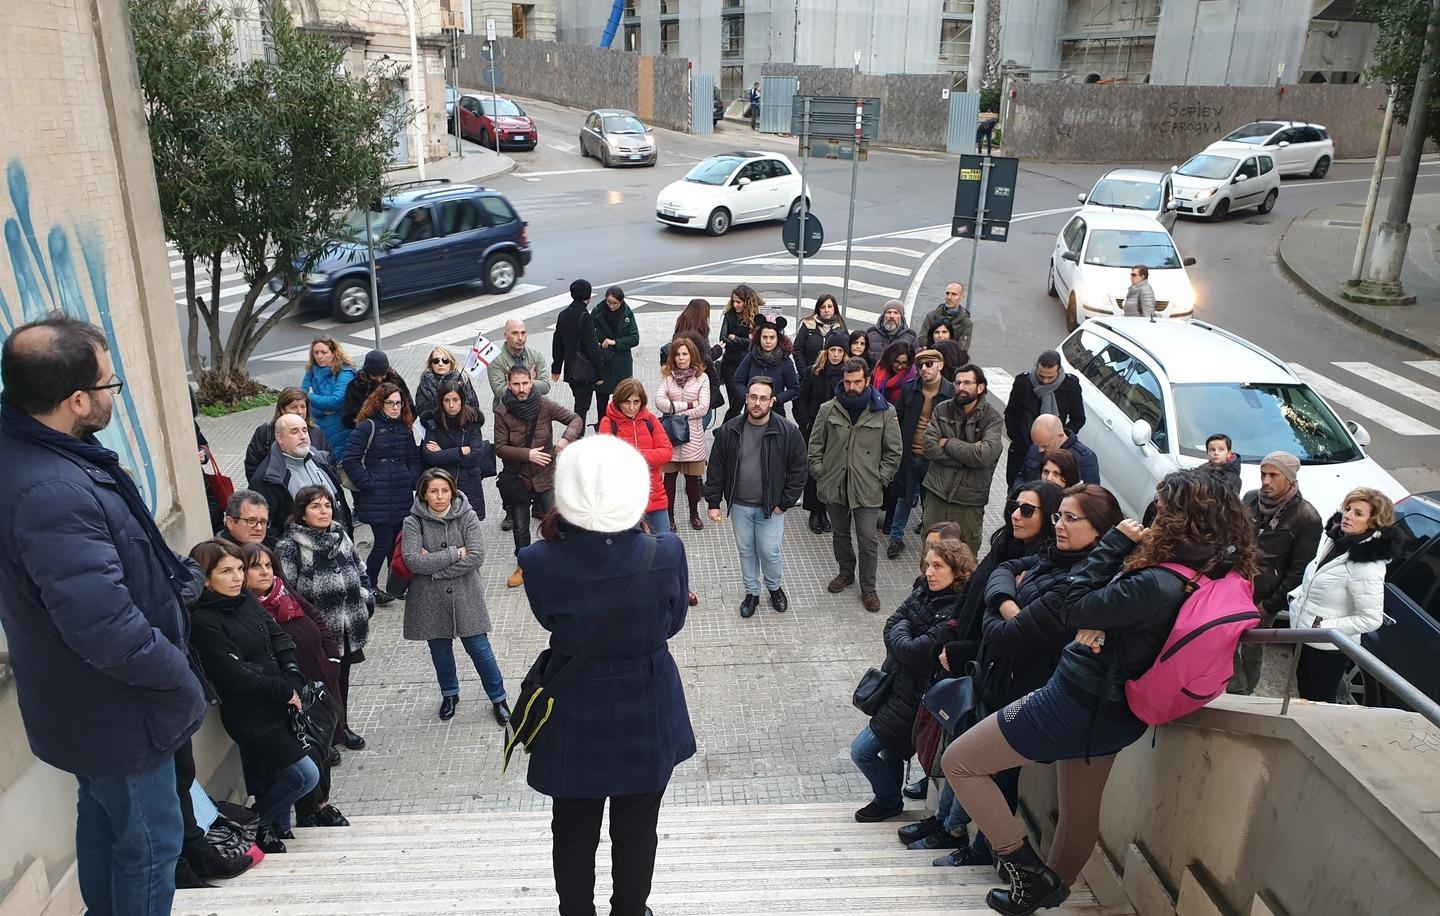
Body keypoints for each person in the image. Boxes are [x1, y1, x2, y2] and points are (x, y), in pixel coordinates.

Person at [941, 469, 1259, 913]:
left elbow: (1072, 606)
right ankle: (1049, 892)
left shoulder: (1155, 582)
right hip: (1119, 714)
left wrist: (1113, 544)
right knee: (1079, 808)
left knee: (960, 762)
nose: (1153, 518)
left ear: (1181, 520)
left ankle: (1025, 872)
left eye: (1162, 511)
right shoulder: (1206, 573)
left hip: (1071, 701)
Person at [0, 315, 207, 914]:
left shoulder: (35, 449)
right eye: (111, 385)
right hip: (120, 706)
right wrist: (181, 682)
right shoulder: (52, 493)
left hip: (86, 704)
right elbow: (104, 628)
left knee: (103, 822)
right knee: (149, 842)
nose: (116, 394)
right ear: (75, 400)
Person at [518, 435, 695, 916]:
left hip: (574, 706)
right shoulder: (667, 552)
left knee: (573, 829)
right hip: (647, 698)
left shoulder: (537, 561)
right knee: (638, 828)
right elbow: (674, 622)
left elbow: (549, 620)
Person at [956, 485, 1124, 867]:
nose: (1059, 526)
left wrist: (995, 609)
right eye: (1058, 516)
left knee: (973, 768)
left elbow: (1004, 640)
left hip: (1033, 696)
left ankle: (1021, 869)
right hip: (1004, 682)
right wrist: (1006, 602)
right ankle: (1029, 877)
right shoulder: (1057, 559)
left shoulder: (1078, 583)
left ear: (1099, 529)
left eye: (1070, 518)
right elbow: (1004, 569)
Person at [923, 484, 1064, 864]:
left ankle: (983, 847)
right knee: (960, 753)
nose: (1017, 514)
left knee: (997, 773)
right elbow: (986, 599)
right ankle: (945, 825)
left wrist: (994, 606)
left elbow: (1010, 633)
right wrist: (1001, 599)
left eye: (1029, 510)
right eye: (1015, 505)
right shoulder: (1007, 548)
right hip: (982, 669)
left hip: (1015, 684)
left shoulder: (1044, 564)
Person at [186, 539, 319, 854]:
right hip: (251, 716)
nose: (236, 577)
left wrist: (292, 675)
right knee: (304, 775)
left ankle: (274, 829)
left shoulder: (244, 600)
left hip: (279, 704)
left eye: (238, 569)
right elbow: (237, 675)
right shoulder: (203, 621)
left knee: (273, 775)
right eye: (225, 571)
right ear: (205, 578)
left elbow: (279, 637)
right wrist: (284, 690)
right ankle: (254, 824)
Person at [850, 538, 974, 822]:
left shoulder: (955, 612)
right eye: (927, 565)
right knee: (892, 754)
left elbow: (915, 652)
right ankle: (891, 801)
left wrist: (903, 632)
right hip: (897, 690)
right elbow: (891, 625)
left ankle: (888, 799)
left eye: (938, 566)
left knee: (862, 751)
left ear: (957, 571)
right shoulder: (923, 590)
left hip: (916, 702)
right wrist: (905, 634)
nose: (929, 572)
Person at [242, 541, 350, 826]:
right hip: (285, 694)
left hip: (317, 680)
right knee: (300, 755)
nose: (265, 572)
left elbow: (314, 615)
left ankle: (318, 805)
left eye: (268, 565)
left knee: (321, 746)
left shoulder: (281, 588)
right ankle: (297, 814)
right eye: (256, 567)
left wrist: (332, 656)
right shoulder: (248, 608)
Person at [401, 468, 510, 723]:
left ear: (452, 491)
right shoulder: (412, 521)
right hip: (430, 599)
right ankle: (449, 694)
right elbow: (414, 561)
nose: (440, 496)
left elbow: (476, 556)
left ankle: (498, 697)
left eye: (444, 490)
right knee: (439, 650)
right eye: (433, 491)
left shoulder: (467, 515)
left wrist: (436, 567)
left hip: (465, 595)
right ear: (424, 494)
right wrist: (455, 553)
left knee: (480, 649)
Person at [276, 485, 371, 753]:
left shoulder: (341, 535)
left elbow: (360, 568)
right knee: (317, 685)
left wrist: (365, 598)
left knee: (341, 681)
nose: (323, 511)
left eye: (327, 505)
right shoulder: (289, 546)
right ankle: (321, 738)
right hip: (317, 634)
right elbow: (290, 591)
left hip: (349, 625)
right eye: (315, 506)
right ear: (302, 513)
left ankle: (342, 726)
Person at [704, 377, 808, 618]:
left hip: (771, 508)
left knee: (770, 550)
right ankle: (752, 592)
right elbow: (717, 467)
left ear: (772, 401)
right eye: (753, 397)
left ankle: (774, 587)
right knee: (746, 550)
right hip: (740, 506)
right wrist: (712, 502)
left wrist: (785, 502)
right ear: (746, 398)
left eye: (763, 398)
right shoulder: (730, 430)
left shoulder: (787, 431)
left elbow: (799, 468)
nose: (757, 402)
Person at [809, 358, 903, 613]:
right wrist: (820, 472)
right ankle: (846, 572)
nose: (851, 387)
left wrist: (881, 478)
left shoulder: (885, 411)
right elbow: (815, 445)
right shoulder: (828, 409)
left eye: (857, 382)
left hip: (867, 488)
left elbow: (894, 452)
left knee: (867, 538)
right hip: (834, 485)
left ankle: (868, 587)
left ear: (868, 381)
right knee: (840, 534)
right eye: (847, 382)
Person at [1228, 451, 1322, 696]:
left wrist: (1269, 606)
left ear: (1289, 479)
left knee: (1252, 649)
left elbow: (1298, 571)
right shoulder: (1250, 499)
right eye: (1263, 474)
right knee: (1226, 645)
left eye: (1273, 475)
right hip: (1234, 588)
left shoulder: (1306, 517)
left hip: (1263, 598)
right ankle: (1237, 692)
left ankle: (1247, 695)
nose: (1266, 481)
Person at [1289, 488, 1397, 702]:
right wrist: (1296, 597)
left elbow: (1371, 619)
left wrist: (1325, 627)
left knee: (1320, 701)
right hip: (1303, 634)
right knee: (1304, 694)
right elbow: (1318, 575)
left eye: (1358, 513)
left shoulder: (1367, 567)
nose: (1348, 515)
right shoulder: (1335, 538)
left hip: (1328, 648)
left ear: (1373, 523)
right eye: (1348, 509)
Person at [495, 364, 585, 588]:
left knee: (558, 521)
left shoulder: (544, 405)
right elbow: (499, 447)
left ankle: (565, 563)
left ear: (532, 382)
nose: (521, 388)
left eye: (525, 383)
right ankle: (523, 565)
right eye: (516, 384)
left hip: (546, 476)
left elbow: (575, 420)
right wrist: (527, 454)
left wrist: (564, 441)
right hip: (518, 478)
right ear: (508, 384)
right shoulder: (502, 411)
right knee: (520, 526)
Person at [342, 382, 422, 605]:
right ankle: (369, 585)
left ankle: (395, 585)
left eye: (399, 403)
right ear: (380, 403)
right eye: (390, 403)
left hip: (401, 494)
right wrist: (368, 483)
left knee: (399, 542)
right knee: (383, 542)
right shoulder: (367, 427)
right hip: (377, 497)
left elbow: (413, 458)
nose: (395, 408)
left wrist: (411, 477)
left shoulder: (405, 427)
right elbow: (350, 459)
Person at [921, 364, 1004, 554]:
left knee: (964, 558)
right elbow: (929, 447)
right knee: (930, 553)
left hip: (969, 502)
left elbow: (983, 456)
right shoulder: (942, 409)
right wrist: (969, 456)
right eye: (958, 382)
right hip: (937, 495)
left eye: (967, 383)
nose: (961, 387)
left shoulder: (993, 418)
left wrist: (948, 442)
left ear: (980, 387)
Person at [886, 349, 954, 559]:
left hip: (934, 459)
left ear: (940, 365)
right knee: (904, 499)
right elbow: (897, 419)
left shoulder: (950, 392)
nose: (923, 369)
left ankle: (931, 543)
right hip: (909, 455)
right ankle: (896, 539)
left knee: (930, 502)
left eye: (929, 364)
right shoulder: (909, 389)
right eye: (920, 365)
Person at [249, 413, 353, 537]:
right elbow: (265, 527)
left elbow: (338, 501)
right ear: (279, 438)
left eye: (304, 430)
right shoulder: (268, 477)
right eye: (294, 432)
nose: (303, 436)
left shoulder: (321, 459)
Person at [599, 379, 674, 536]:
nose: (632, 407)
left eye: (636, 402)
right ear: (618, 401)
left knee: (663, 546)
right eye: (627, 402)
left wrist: (633, 456)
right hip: (623, 502)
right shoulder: (608, 423)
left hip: (655, 497)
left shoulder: (650, 420)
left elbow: (666, 452)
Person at [795, 329, 850, 534]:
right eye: (832, 350)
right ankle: (814, 512)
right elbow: (801, 399)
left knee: (832, 471)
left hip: (838, 432)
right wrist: (805, 423)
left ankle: (825, 511)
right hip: (814, 429)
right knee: (814, 470)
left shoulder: (848, 374)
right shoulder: (813, 371)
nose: (835, 354)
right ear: (826, 351)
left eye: (839, 351)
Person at [1004, 350, 1085, 486]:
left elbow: (1078, 418)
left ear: (1059, 371)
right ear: (1036, 367)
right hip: (1022, 450)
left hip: (1053, 454)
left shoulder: (1071, 386)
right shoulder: (1023, 383)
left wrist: (1059, 439)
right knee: (1015, 491)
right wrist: (1016, 436)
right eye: (1041, 376)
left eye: (1050, 377)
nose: (1045, 381)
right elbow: (1010, 412)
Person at [656, 336, 712, 533]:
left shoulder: (702, 378)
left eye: (685, 354)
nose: (681, 358)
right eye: (678, 354)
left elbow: (704, 408)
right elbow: (659, 402)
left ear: (692, 356)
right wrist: (688, 405)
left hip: (693, 436)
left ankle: (694, 514)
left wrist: (674, 410)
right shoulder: (667, 377)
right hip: (670, 435)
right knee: (668, 479)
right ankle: (669, 516)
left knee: (692, 480)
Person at [422, 379, 492, 521]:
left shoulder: (472, 421)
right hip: (442, 484)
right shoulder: (433, 423)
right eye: (446, 400)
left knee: (469, 528)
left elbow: (476, 456)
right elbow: (431, 457)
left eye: (455, 399)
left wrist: (443, 453)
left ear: (462, 400)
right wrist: (460, 451)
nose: (451, 405)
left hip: (469, 483)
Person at [552, 279, 607, 429]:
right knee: (581, 409)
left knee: (579, 404)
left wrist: (556, 368)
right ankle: (577, 438)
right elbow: (592, 348)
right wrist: (600, 372)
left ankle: (576, 436)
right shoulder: (585, 317)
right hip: (583, 372)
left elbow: (557, 342)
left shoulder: (563, 315)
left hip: (570, 370)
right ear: (588, 297)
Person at [244, 386, 333, 481]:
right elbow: (252, 465)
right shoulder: (266, 431)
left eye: (303, 406)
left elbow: (328, 461)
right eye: (293, 407)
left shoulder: (316, 431)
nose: (299, 412)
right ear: (282, 409)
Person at [731, 316, 800, 417]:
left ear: (778, 339)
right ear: (759, 338)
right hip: (751, 412)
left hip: (775, 413)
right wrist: (749, 396)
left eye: (772, 337)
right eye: (764, 337)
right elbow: (737, 381)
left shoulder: (785, 361)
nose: (768, 341)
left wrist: (777, 398)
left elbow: (794, 388)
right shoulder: (751, 356)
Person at [302, 335, 358, 458]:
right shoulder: (311, 370)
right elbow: (301, 398)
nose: (320, 356)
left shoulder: (345, 372)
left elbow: (336, 401)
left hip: (341, 428)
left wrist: (311, 397)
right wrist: (322, 409)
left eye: (324, 352)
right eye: (316, 352)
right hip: (318, 428)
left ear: (333, 352)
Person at [593, 286, 641, 424]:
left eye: (615, 303)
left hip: (621, 364)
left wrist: (615, 342)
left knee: (622, 399)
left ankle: (621, 428)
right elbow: (588, 333)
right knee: (601, 402)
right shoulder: (597, 311)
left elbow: (635, 338)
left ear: (621, 302)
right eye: (609, 302)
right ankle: (602, 428)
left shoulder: (627, 314)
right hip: (603, 362)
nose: (611, 306)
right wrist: (598, 342)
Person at [486, 318, 552, 408]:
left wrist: (514, 383)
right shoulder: (495, 360)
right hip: (507, 412)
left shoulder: (536, 355)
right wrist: (530, 380)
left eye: (523, 333)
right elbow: (500, 392)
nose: (520, 338)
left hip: (533, 409)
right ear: (505, 335)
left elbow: (546, 386)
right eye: (515, 333)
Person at [342, 349, 414, 429]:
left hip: (397, 429)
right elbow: (349, 417)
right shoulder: (356, 386)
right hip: (371, 432)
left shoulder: (396, 380)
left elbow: (410, 408)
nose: (379, 379)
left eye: (383, 375)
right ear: (367, 372)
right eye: (375, 376)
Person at [1020, 414, 1100, 486]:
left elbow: (1089, 497)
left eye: (1046, 446)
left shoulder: (1085, 459)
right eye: (1037, 445)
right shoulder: (1040, 443)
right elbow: (1021, 476)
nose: (1040, 450)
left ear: (1060, 436)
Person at [414, 344, 480, 419]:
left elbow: (473, 405)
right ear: (431, 364)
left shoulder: (462, 379)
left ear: (451, 362)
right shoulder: (425, 381)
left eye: (445, 360)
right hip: (435, 426)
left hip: (461, 425)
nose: (440, 364)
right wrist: (440, 399)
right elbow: (420, 409)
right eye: (436, 361)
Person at [795, 292, 846, 370]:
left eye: (829, 306)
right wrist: (804, 372)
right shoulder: (808, 325)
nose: (826, 310)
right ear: (818, 309)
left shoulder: (840, 327)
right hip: (810, 375)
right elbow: (797, 349)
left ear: (834, 308)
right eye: (822, 307)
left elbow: (847, 352)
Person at [919, 282, 974, 354]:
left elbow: (962, 349)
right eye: (947, 293)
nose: (949, 297)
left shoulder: (966, 323)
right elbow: (921, 338)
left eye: (954, 294)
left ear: (962, 297)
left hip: (953, 360)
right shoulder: (931, 316)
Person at [864, 301, 918, 369]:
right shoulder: (870, 333)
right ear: (884, 315)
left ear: (901, 317)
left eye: (896, 313)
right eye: (889, 312)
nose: (892, 316)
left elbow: (914, 363)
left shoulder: (911, 336)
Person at [871, 340, 916, 406]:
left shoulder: (912, 379)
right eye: (897, 362)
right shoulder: (879, 368)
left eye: (904, 363)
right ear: (889, 359)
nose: (900, 367)